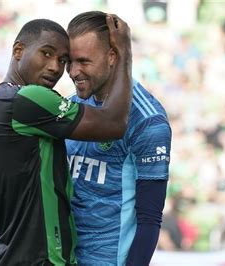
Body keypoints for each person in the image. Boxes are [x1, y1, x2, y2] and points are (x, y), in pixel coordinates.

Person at [0, 16, 132, 265]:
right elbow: (113, 124)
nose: (55, 67)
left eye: (62, 60)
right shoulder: (25, 100)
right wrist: (123, 52)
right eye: (46, 53)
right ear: (18, 51)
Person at [65, 11, 171, 265]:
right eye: (69, 61)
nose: (72, 71)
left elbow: (149, 221)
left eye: (83, 61)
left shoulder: (147, 121)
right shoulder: (72, 104)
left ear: (112, 56)